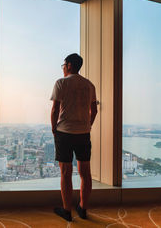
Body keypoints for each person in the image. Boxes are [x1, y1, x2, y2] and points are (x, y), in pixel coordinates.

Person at [50, 53, 98, 222]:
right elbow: (94, 110)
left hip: (64, 132)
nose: (63, 67)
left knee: (66, 173)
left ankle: (67, 211)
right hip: (83, 133)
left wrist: (54, 128)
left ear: (69, 65)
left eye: (63, 64)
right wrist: (88, 125)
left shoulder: (61, 83)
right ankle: (83, 208)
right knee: (85, 173)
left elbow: (55, 109)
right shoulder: (89, 85)